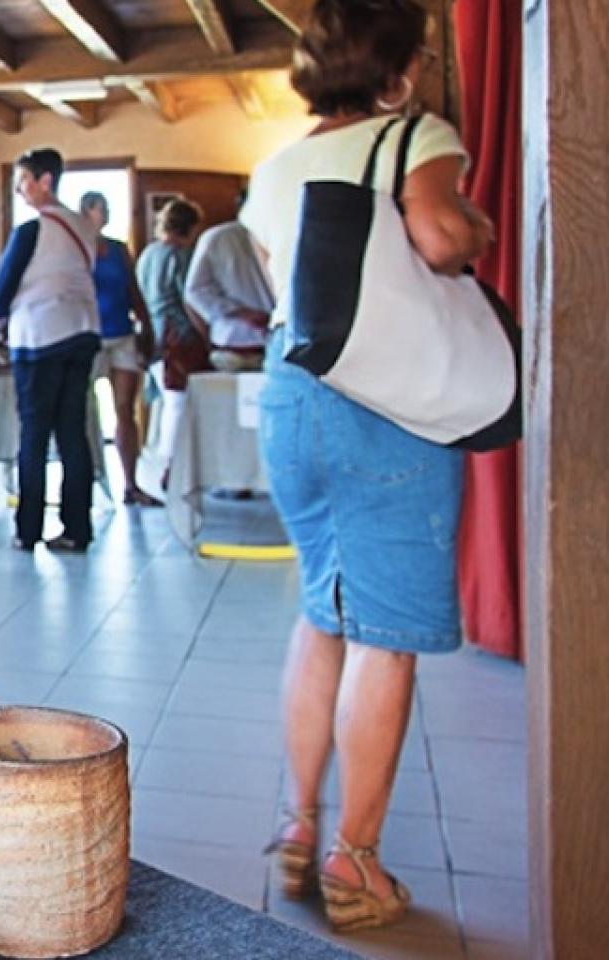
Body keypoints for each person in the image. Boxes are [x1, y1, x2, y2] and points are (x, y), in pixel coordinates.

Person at [243, 0, 494, 933]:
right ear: (398, 68)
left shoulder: (277, 165)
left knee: (322, 613)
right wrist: (476, 230)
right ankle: (356, 867)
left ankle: (299, 829)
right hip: (388, 405)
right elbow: (435, 236)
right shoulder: (415, 135)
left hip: (294, 400)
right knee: (383, 634)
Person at [0, 148, 101, 552]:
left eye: (23, 182)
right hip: (83, 332)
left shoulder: (32, 230)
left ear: (45, 181)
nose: (20, 192)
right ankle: (77, 528)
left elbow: (1, 290)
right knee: (73, 434)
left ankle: (28, 529)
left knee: (34, 437)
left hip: (39, 337)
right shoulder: (84, 227)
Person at [78, 191, 159, 507]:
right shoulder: (77, 248)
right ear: (87, 212)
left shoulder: (118, 249)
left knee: (125, 409)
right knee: (85, 412)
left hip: (122, 334)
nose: (107, 213)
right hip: (89, 336)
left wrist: (147, 326)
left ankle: (131, 484)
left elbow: (133, 290)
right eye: (103, 208)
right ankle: (89, 482)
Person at [185, 199, 277, 372]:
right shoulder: (284, 236)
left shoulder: (215, 237)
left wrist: (240, 313)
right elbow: (194, 291)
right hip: (251, 342)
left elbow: (195, 291)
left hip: (234, 340)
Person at [135, 199, 207, 392]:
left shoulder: (148, 254)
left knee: (161, 400)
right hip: (177, 336)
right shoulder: (181, 255)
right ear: (189, 227)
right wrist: (205, 334)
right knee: (180, 401)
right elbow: (192, 300)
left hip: (152, 335)